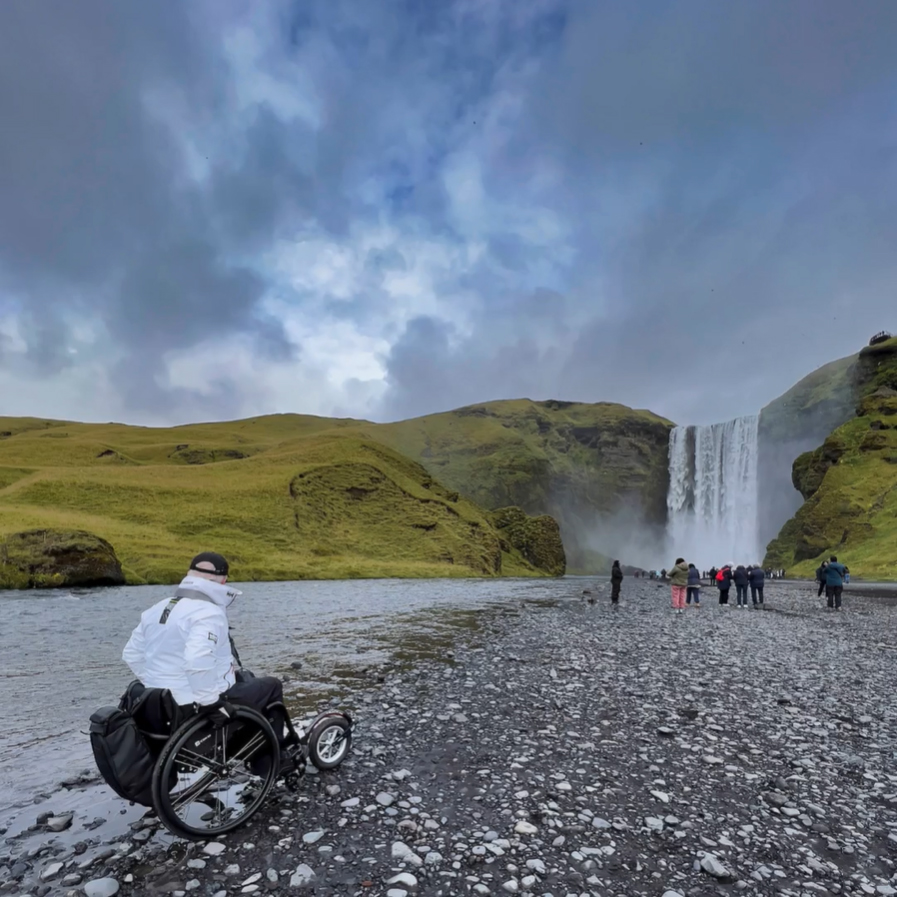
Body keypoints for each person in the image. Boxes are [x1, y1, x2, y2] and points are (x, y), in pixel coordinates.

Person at [122, 551, 299, 769]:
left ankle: (244, 746)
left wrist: (157, 682)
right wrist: (210, 702)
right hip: (192, 704)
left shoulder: (158, 608)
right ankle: (269, 763)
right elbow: (197, 659)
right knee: (272, 686)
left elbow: (131, 654)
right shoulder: (208, 612)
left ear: (188, 574)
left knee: (244, 679)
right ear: (223, 581)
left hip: (158, 702)